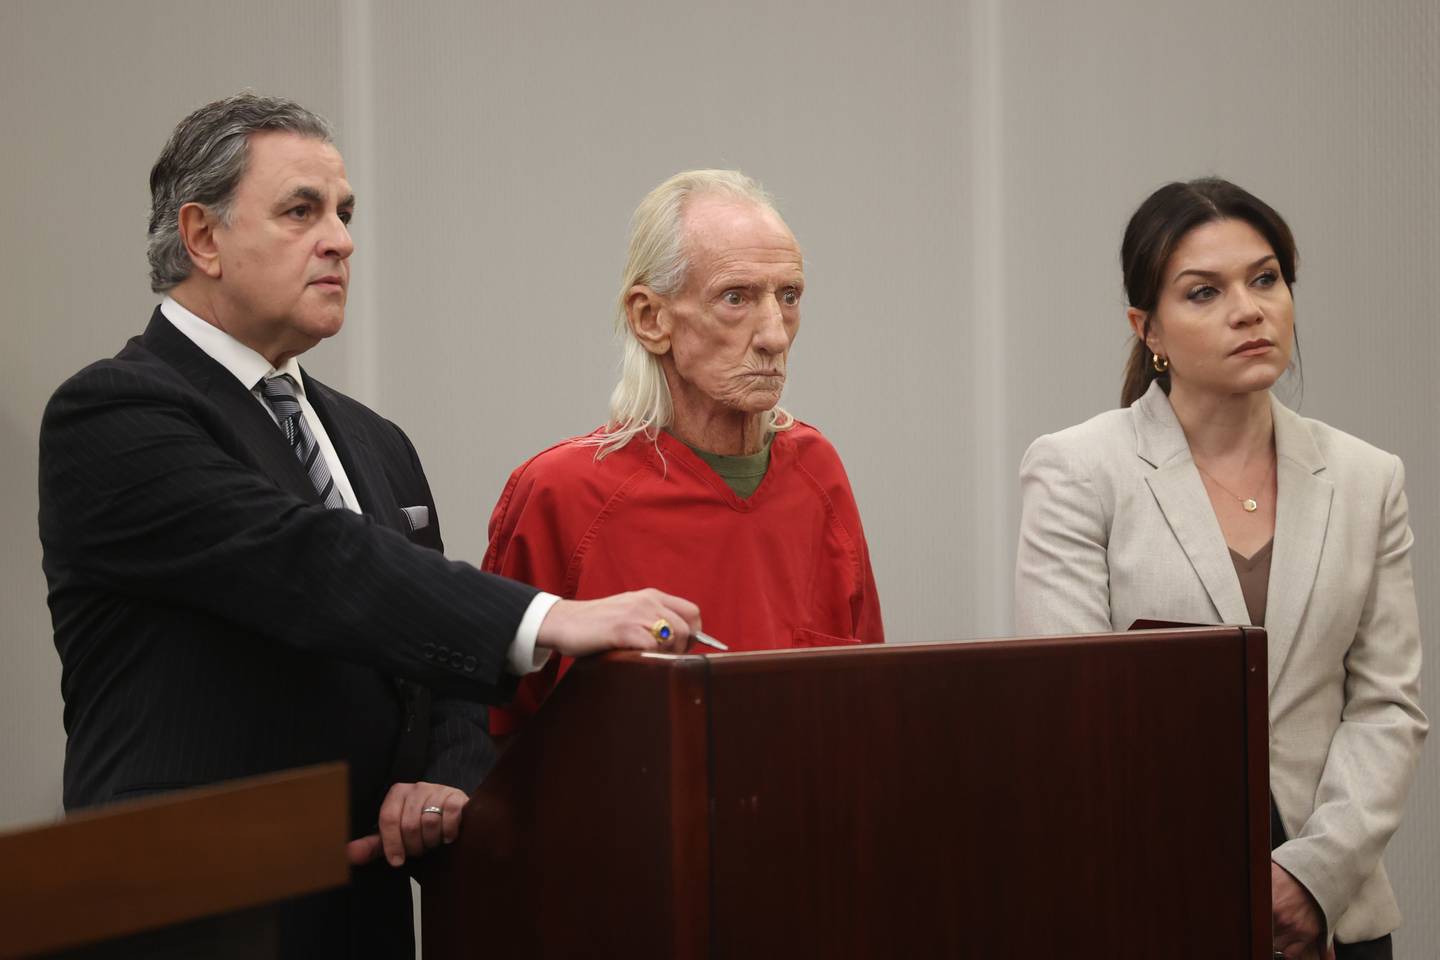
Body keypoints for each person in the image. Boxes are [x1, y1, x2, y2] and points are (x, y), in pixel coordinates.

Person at [37, 93, 700, 957]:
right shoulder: (113, 413)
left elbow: (438, 665)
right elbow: (308, 563)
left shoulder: (374, 442)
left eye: (345, 213)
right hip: (188, 915)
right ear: (201, 238)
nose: (342, 239)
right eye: (302, 211)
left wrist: (444, 779)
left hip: (357, 914)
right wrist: (547, 616)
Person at [1013, 178, 1426, 960]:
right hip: (1150, 906)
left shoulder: (1369, 478)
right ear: (1148, 329)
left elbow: (1387, 708)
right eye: (1204, 292)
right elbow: (1072, 719)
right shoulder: (1078, 470)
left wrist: (1312, 879)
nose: (1249, 309)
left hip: (1333, 918)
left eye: (1265, 279)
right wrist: (1205, 887)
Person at [485, 170, 883, 734]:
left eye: (788, 296)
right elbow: (493, 736)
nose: (774, 334)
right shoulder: (563, 491)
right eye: (735, 298)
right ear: (651, 319)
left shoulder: (818, 470)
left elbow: (868, 700)